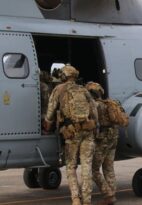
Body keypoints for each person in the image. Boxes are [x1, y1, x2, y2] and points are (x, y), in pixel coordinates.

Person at [43, 65, 98, 205]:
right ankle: (87, 200)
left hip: (71, 133)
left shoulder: (58, 89)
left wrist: (47, 126)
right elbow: (94, 111)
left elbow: (50, 112)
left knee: (71, 166)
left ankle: (75, 198)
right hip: (88, 131)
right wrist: (95, 127)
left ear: (63, 76)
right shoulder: (84, 90)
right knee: (86, 166)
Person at [85, 82, 128, 205]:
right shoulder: (109, 104)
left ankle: (108, 194)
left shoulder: (95, 105)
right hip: (113, 138)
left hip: (102, 140)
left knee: (94, 170)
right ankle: (111, 196)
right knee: (109, 168)